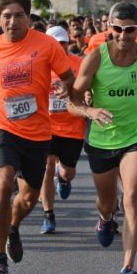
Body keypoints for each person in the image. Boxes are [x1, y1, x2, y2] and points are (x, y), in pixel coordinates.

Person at [0, 0, 74, 274]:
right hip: (1, 126)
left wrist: (65, 86)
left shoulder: (47, 45)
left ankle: (13, 227)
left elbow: (68, 76)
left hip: (37, 132)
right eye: (6, 16)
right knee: (3, 181)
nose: (12, 22)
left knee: (28, 198)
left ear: (28, 17)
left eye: (18, 16)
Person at [70, 2, 137, 274]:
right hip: (101, 140)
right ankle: (105, 219)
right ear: (109, 29)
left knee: (132, 197)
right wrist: (90, 111)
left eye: (130, 30)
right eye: (118, 29)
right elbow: (72, 102)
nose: (124, 35)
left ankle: (128, 268)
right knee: (107, 201)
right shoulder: (95, 58)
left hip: (135, 136)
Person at [33, 26, 86, 234]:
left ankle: (63, 179)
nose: (58, 47)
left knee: (68, 172)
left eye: (62, 43)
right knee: (46, 168)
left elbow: (88, 88)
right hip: (45, 125)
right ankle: (48, 214)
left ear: (67, 43)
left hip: (73, 126)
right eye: (54, 43)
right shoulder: (38, 64)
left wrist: (82, 96)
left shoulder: (79, 64)